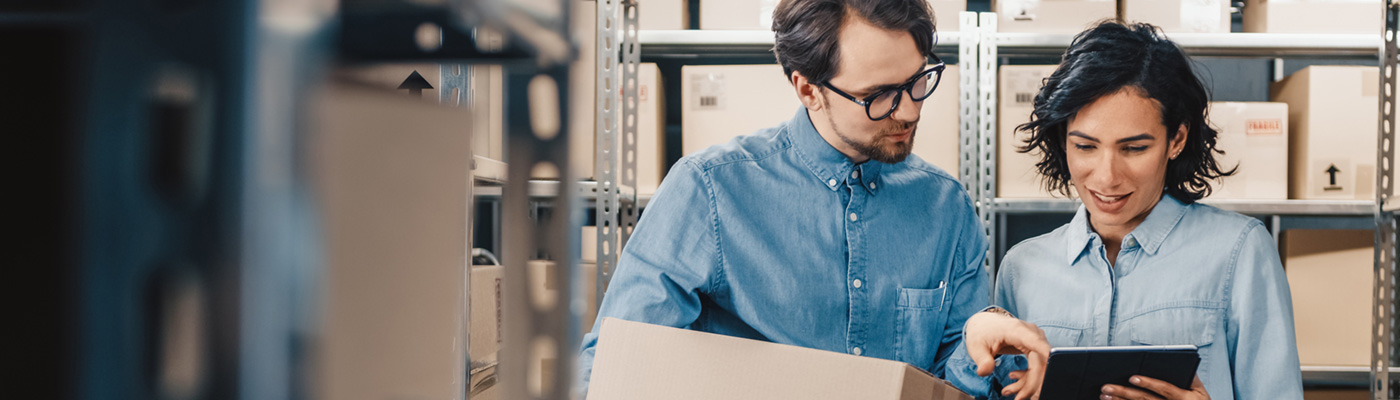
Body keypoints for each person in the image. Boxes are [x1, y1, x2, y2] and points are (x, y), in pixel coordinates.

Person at [574, 0, 1051, 398]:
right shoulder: (709, 192)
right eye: (880, 94)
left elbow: (955, 384)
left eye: (918, 80)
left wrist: (977, 346)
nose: (909, 110)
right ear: (807, 88)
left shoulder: (946, 207)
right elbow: (613, 368)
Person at [957, 21, 1304, 399]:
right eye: (1086, 147)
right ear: (1063, 139)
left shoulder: (1239, 252)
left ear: (1177, 139)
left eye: (1134, 148)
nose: (1106, 178)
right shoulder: (1022, 267)